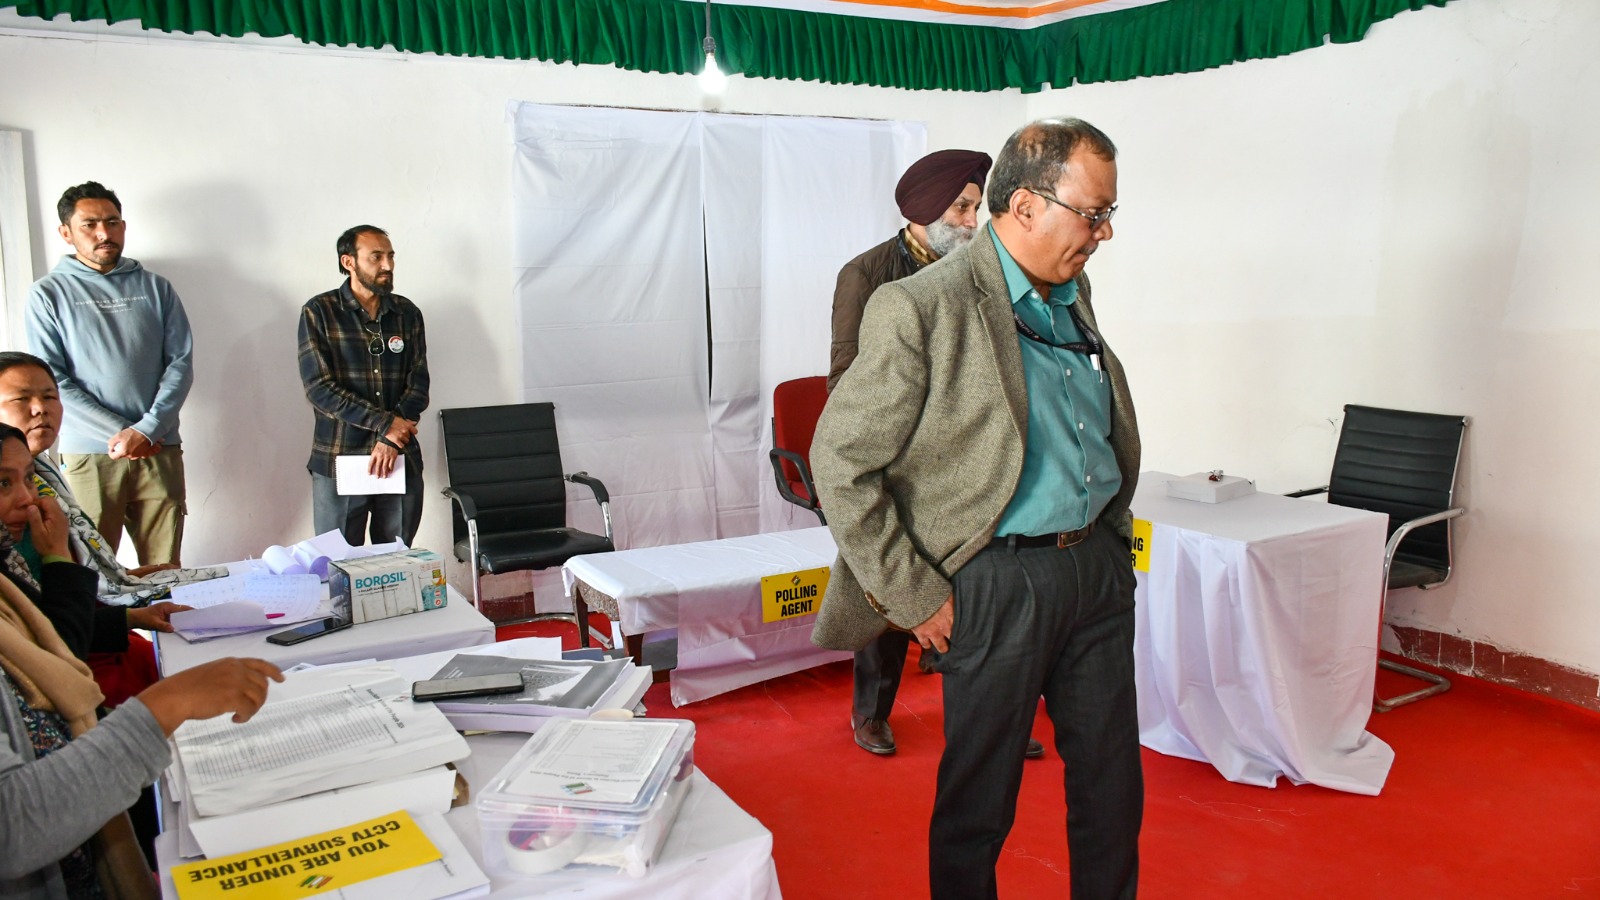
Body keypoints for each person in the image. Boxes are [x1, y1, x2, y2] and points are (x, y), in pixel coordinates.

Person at [811, 118, 1142, 899]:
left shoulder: (1072, 289)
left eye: (1108, 214)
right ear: (1026, 206)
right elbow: (841, 461)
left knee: (1112, 789)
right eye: (1092, 213)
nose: (1104, 233)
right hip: (997, 582)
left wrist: (1112, 543)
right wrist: (916, 592)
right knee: (979, 804)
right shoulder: (918, 306)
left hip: (1094, 567)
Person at [827, 149, 1049, 763]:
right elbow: (843, 377)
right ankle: (870, 712)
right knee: (891, 590)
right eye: (961, 207)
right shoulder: (866, 274)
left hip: (966, 459)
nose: (972, 220)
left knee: (975, 592)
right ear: (923, 211)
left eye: (977, 206)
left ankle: (986, 719)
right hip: (897, 458)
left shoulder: (983, 271)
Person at [25, 181, 195, 568]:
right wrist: (125, 432)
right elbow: (52, 381)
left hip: (159, 445)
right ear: (66, 232)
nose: (104, 233)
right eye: (89, 224)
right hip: (91, 452)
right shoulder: (47, 294)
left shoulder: (155, 287)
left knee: (165, 567)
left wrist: (148, 429)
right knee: (93, 569)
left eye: (113, 222)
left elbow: (181, 363)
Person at [298, 226, 430, 546]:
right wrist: (385, 424)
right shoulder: (319, 312)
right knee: (339, 566)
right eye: (376, 257)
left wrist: (390, 438)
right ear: (349, 262)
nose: (387, 265)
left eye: (390, 256)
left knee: (396, 563)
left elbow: (419, 383)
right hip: (340, 459)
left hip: (399, 458)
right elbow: (319, 388)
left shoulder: (407, 313)